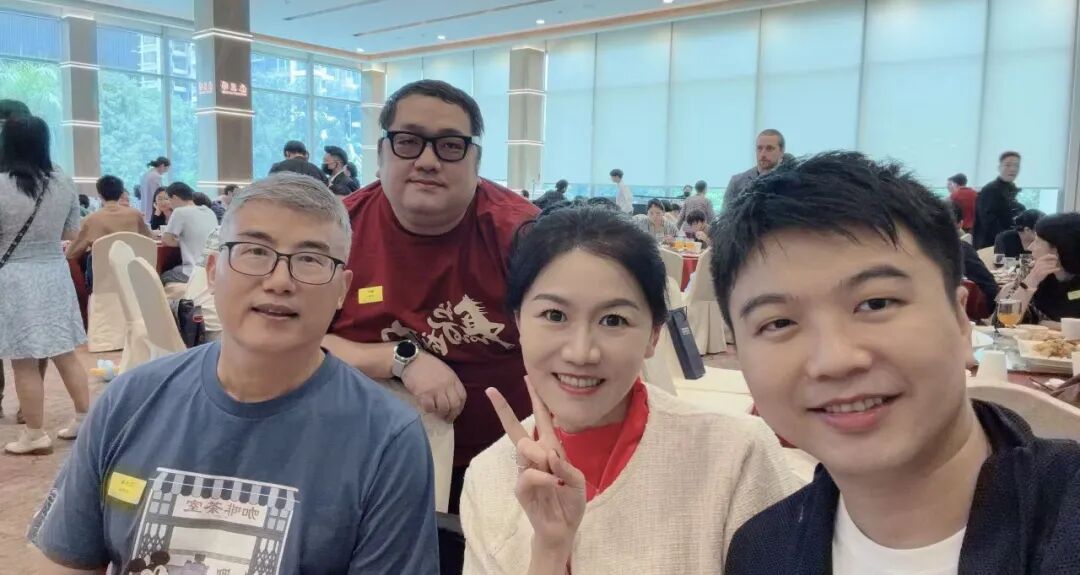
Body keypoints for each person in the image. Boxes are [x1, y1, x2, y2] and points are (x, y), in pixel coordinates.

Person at [27, 172, 439, 572]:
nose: (279, 281)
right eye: (255, 252)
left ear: (342, 290)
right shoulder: (130, 400)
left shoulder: (386, 439)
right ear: (212, 272)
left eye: (310, 260)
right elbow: (67, 561)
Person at [713, 152, 1080, 574]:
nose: (834, 360)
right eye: (778, 323)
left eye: (876, 303)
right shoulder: (760, 552)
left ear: (961, 319)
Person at [461, 206, 796, 573]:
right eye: (555, 315)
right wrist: (549, 553)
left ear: (654, 334)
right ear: (518, 323)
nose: (581, 353)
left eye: (613, 320)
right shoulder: (489, 476)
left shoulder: (735, 455)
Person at [323, 79, 539, 513]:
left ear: (476, 161)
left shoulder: (522, 236)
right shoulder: (335, 230)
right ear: (381, 154)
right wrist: (400, 359)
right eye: (408, 141)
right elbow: (295, 343)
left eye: (450, 146)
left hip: (507, 464)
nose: (427, 161)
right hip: (358, 458)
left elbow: (566, 347)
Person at [0, 116, 90, 454]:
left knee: (23, 360)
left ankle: (35, 434)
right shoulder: (63, 182)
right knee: (65, 353)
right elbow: (71, 232)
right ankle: (85, 419)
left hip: (15, 278)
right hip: (54, 272)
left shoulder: (1, 184)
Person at [1000, 212, 1080, 329]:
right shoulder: (1031, 271)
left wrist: (1050, 325)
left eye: (1037, 242)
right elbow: (1001, 324)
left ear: (1057, 250)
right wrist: (1031, 281)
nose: (1030, 247)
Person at [66, 175, 152, 262]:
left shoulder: (90, 220)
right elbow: (149, 239)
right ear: (121, 193)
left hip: (101, 268)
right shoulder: (135, 214)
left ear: (100, 195)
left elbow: (71, 254)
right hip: (130, 266)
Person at [160, 182, 218, 286]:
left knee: (163, 275)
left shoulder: (180, 212)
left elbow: (166, 240)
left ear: (174, 197)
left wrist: (182, 242)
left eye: (168, 199)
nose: (169, 204)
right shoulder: (210, 212)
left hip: (192, 273)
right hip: (212, 271)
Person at [951, 201, 999, 309]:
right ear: (960, 224)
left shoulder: (917, 249)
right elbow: (989, 285)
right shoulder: (961, 249)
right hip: (956, 312)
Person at [723, 129, 785, 211]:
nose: (763, 154)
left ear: (781, 152)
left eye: (769, 148)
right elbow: (725, 216)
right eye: (759, 148)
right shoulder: (737, 183)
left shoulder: (791, 183)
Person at [973, 151, 1024, 249]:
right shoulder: (990, 190)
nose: (1012, 169)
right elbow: (988, 222)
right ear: (999, 167)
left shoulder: (1010, 188)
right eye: (1008, 165)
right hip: (990, 245)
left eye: (1016, 165)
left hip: (1004, 241)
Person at [139, 156, 171, 221]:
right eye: (166, 169)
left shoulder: (146, 175)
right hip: (153, 208)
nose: (165, 172)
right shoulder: (156, 176)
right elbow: (158, 194)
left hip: (145, 208)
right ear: (162, 166)